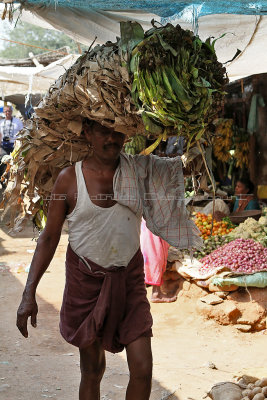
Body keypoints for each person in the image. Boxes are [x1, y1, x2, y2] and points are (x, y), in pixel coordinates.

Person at [16, 120, 201, 400]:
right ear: (87, 133)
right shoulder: (69, 179)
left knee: (143, 369)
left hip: (129, 281)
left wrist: (196, 137)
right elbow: (49, 238)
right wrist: (28, 293)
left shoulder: (139, 171)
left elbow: (180, 168)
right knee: (92, 370)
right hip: (85, 284)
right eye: (104, 130)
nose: (112, 138)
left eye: (118, 131)